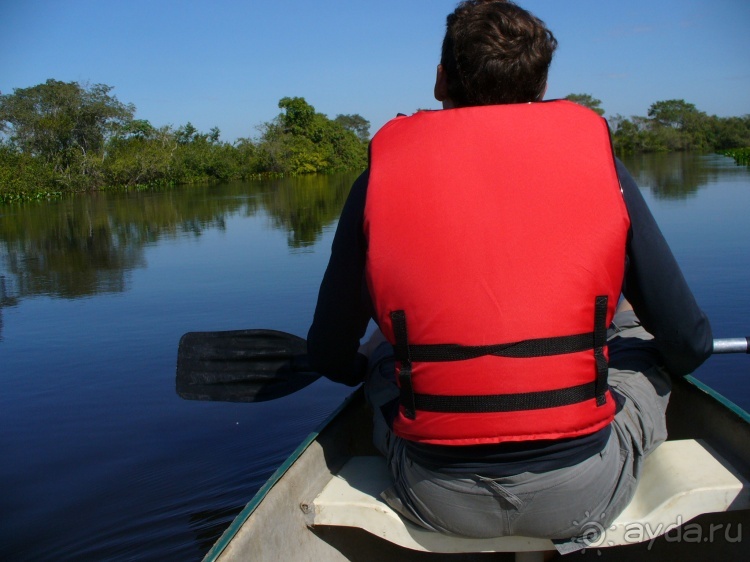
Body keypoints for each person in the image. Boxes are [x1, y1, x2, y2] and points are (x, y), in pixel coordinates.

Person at [307, 0, 713, 553]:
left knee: (386, 355)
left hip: (436, 494)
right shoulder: (598, 164)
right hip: (584, 488)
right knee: (635, 331)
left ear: (440, 79)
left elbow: (331, 354)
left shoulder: (379, 176)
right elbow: (689, 341)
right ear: (542, 88)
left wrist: (369, 363)